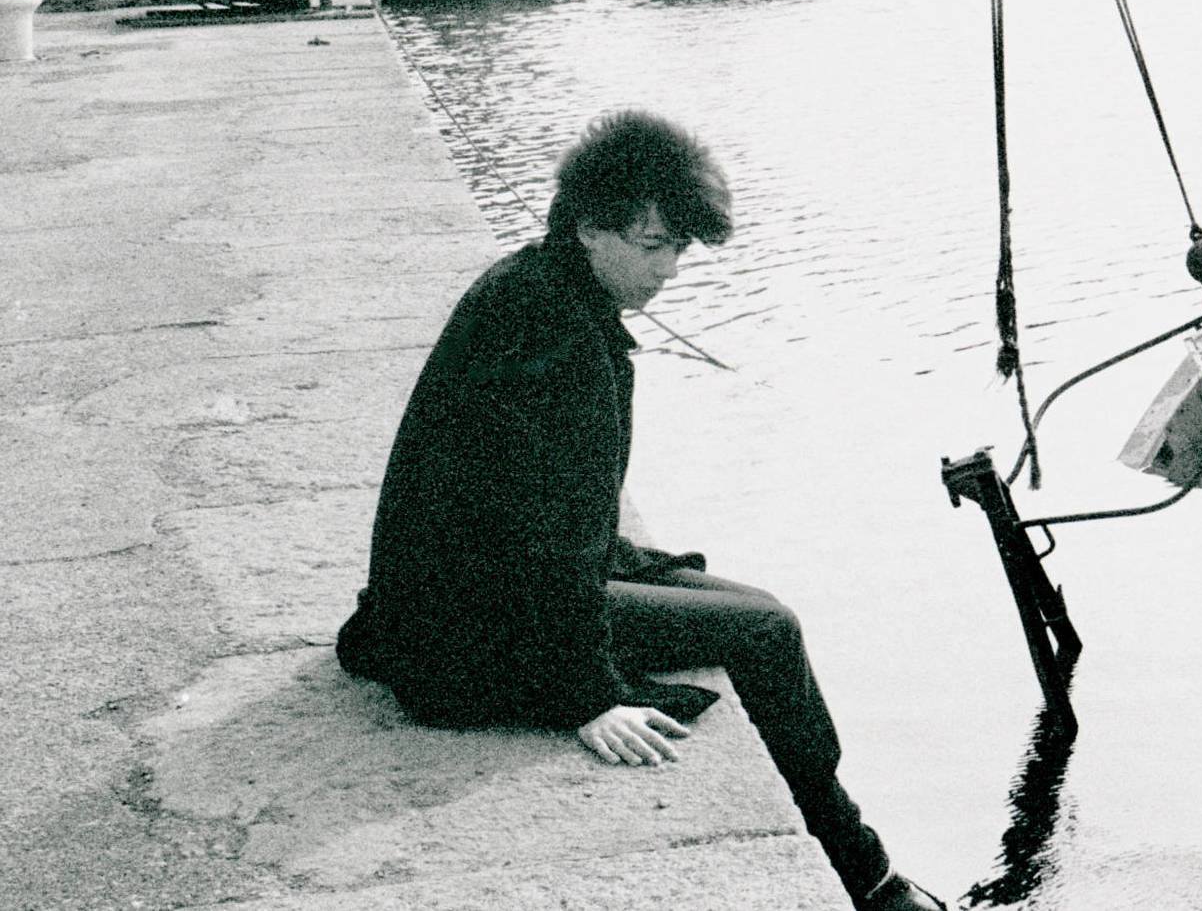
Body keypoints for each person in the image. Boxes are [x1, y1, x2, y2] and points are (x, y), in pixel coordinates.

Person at [336, 110, 940, 911]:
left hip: (451, 587)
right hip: (467, 618)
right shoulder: (567, 344)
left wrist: (642, 572)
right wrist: (586, 697)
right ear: (590, 228)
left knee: (751, 609)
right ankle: (865, 874)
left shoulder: (535, 286)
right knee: (767, 631)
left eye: (680, 248)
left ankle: (856, 856)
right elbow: (553, 545)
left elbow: (539, 510)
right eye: (653, 246)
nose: (671, 270)